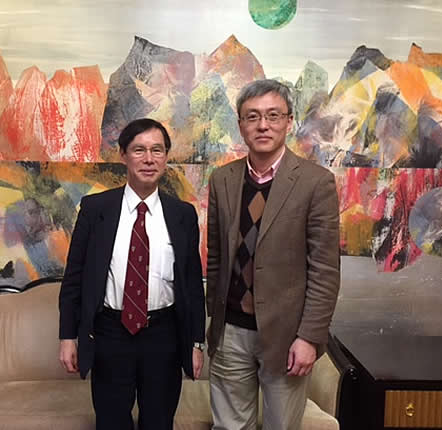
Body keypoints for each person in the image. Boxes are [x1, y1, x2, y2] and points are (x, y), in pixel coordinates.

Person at [206, 79, 340, 430]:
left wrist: (309, 337)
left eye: (273, 115)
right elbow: (216, 257)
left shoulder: (315, 182)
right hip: (230, 331)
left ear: (289, 121)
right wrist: (213, 321)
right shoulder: (222, 180)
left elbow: (325, 270)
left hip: (287, 335)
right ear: (241, 125)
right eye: (252, 116)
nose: (263, 125)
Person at [58, 118, 205, 430]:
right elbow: (74, 278)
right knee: (111, 422)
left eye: (157, 150)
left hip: (164, 336)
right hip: (110, 334)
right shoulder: (95, 209)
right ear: (123, 155)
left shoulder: (182, 214)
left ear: (166, 157)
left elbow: (192, 284)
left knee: (159, 422)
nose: (149, 159)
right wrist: (68, 336)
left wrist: (196, 342)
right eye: (139, 150)